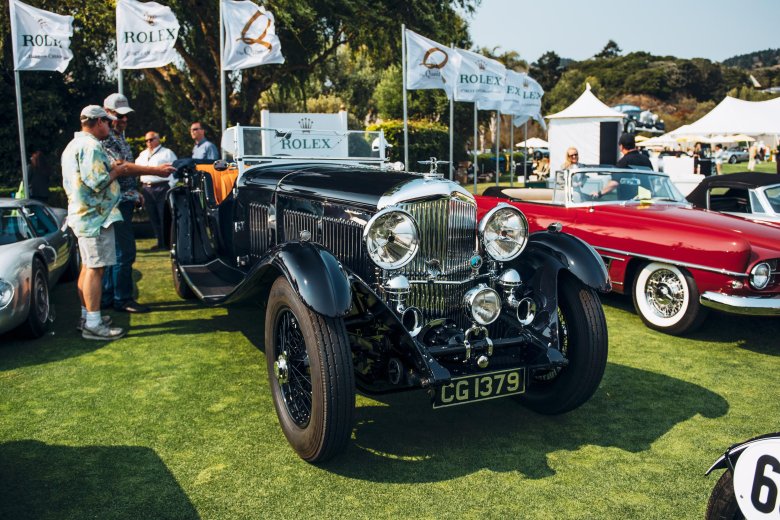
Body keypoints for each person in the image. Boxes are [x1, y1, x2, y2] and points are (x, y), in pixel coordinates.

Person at [102, 93, 175, 314]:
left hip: (125, 199)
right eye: (119, 116)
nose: (124, 120)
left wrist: (134, 192)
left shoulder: (118, 136)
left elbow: (125, 171)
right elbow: (122, 167)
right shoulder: (105, 138)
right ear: (106, 114)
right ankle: (121, 299)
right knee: (124, 252)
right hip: (115, 202)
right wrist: (156, 171)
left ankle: (109, 297)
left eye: (126, 116)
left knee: (116, 252)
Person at [60, 106, 129, 340]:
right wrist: (118, 171)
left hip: (84, 217)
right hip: (94, 218)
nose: (110, 126)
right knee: (95, 269)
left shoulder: (73, 145)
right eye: (108, 122)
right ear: (99, 122)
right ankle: (93, 324)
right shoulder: (90, 146)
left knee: (88, 268)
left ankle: (88, 317)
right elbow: (97, 181)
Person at [136, 131, 177, 251]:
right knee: (153, 216)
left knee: (163, 215)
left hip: (162, 186)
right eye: (146, 140)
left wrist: (170, 184)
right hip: (147, 188)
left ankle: (168, 243)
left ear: (158, 140)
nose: (149, 142)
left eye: (151, 139)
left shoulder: (167, 153)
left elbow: (175, 170)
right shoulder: (142, 154)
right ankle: (159, 242)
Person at [592, 133, 653, 199]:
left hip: (628, 203)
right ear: (634, 145)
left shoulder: (623, 162)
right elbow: (652, 179)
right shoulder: (646, 159)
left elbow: (614, 183)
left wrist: (599, 193)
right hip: (646, 200)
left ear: (621, 146)